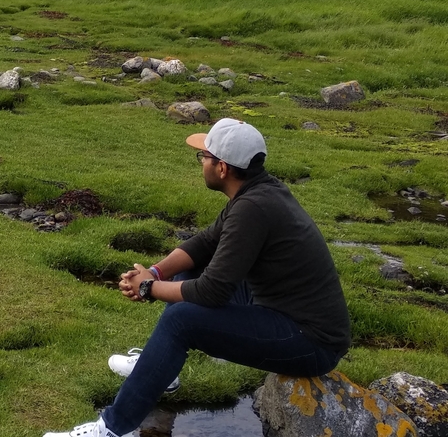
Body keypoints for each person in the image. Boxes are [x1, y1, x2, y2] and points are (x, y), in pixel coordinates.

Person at [43, 118, 351, 437]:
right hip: (285, 312)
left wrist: (148, 287)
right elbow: (205, 243)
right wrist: (156, 272)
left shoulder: (253, 208)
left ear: (222, 168)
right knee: (192, 270)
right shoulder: (258, 192)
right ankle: (161, 367)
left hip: (311, 342)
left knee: (181, 321)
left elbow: (211, 292)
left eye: (204, 156)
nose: (201, 162)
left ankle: (110, 429)